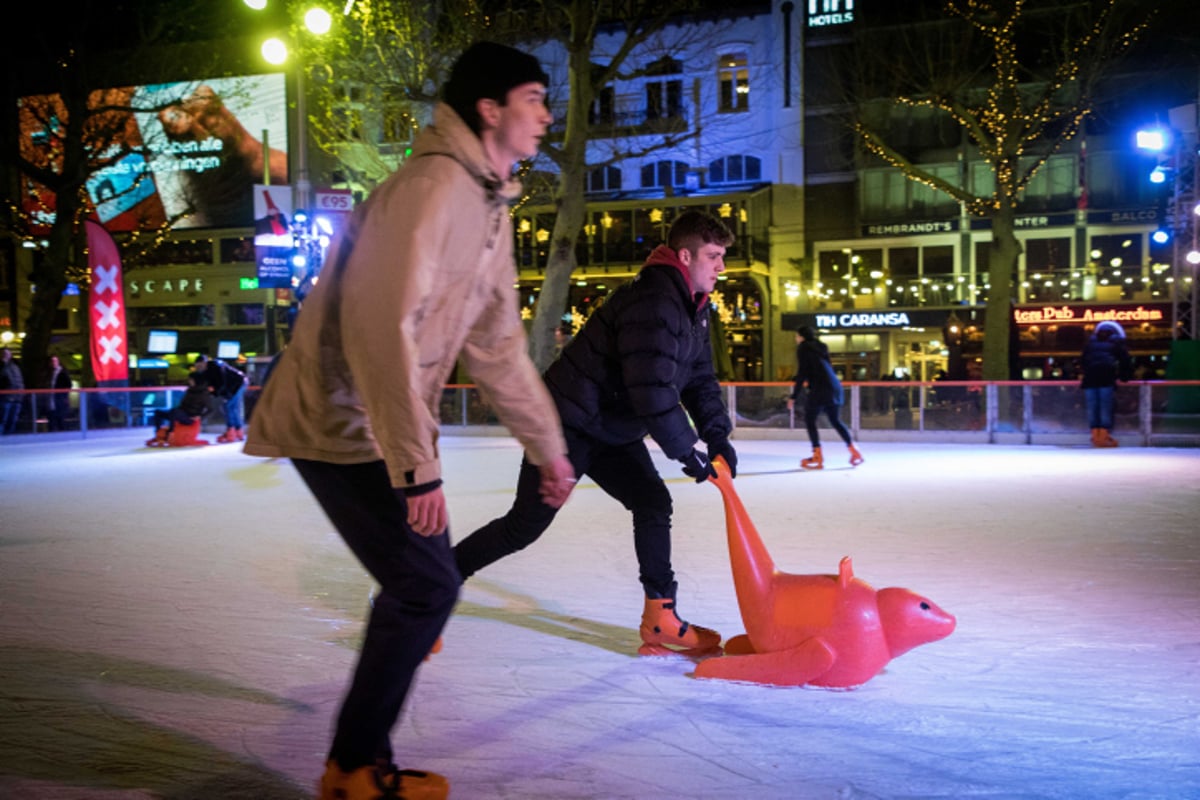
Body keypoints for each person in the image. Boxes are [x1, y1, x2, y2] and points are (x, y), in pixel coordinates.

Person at [242, 41, 573, 800]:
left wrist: (549, 452)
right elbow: (376, 327)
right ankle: (354, 768)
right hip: (337, 419)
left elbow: (497, 350)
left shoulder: (486, 204)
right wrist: (416, 464)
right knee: (424, 585)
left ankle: (355, 762)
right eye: (533, 97)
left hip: (375, 422)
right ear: (489, 110)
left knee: (425, 585)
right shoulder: (430, 190)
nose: (545, 114)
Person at [453, 209, 738, 658]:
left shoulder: (693, 308)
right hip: (568, 424)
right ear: (685, 255)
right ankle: (432, 581)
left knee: (651, 501)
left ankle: (660, 616)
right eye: (714, 256)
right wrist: (687, 452)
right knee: (523, 527)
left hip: (612, 427)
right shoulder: (654, 303)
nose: (721, 266)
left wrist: (717, 437)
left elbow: (699, 378)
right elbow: (652, 389)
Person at [787, 325, 863, 469]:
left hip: (820, 388)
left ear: (802, 337)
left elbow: (803, 372)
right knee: (835, 420)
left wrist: (794, 396)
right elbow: (826, 366)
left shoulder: (803, 348)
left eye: (797, 336)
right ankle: (854, 450)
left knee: (809, 419)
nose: (796, 339)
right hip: (834, 386)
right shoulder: (822, 347)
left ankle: (817, 455)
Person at [1080, 320, 1132, 447]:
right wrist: (1124, 377)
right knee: (1105, 406)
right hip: (1106, 378)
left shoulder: (1090, 343)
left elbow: (1083, 360)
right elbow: (1125, 361)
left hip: (1090, 379)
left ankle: (1096, 436)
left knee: (1093, 407)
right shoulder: (1117, 343)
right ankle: (1103, 436)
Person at [192, 354, 247, 443]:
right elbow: (213, 385)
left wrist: (218, 392)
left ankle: (232, 430)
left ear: (203, 363)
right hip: (233, 386)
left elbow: (222, 382)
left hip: (238, 384)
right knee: (230, 407)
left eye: (199, 365)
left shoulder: (216, 366)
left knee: (229, 407)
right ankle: (237, 430)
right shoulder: (206, 372)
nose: (198, 368)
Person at [144, 374, 211, 447]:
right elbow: (182, 405)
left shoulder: (203, 394)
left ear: (197, 381)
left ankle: (171, 432)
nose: (189, 381)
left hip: (190, 417)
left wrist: (200, 417)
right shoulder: (189, 391)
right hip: (181, 413)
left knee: (174, 412)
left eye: (191, 380)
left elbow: (211, 409)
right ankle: (158, 435)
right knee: (158, 412)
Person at [42, 354, 72, 431]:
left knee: (60, 420)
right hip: (50, 400)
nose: (54, 363)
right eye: (52, 361)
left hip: (59, 400)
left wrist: (63, 396)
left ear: (58, 362)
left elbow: (68, 385)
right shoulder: (48, 374)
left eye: (55, 361)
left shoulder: (63, 373)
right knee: (51, 420)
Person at [1, 347, 25, 435]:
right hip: (5, 398)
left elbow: (19, 381)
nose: (6, 356)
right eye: (4, 354)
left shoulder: (15, 366)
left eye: (7, 354)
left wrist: (21, 393)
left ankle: (10, 437)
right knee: (3, 419)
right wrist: (3, 364)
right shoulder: (1, 366)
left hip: (16, 398)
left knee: (12, 420)